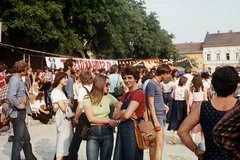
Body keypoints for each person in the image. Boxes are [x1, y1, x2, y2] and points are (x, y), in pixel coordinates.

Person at [178, 66, 238, 160]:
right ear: (236, 87)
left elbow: (182, 132)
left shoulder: (203, 107)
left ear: (214, 85)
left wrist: (196, 150)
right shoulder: (238, 107)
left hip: (211, 156)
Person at [83, 74, 120, 160]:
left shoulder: (109, 97)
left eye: (109, 84)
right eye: (107, 84)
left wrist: (117, 118)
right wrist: (109, 121)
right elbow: (91, 118)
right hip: (93, 132)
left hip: (107, 131)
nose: (109, 87)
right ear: (100, 84)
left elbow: (121, 106)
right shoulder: (88, 98)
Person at [113, 66, 146, 160]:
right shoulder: (125, 95)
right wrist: (123, 111)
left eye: (129, 77)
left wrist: (122, 115)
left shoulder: (139, 93)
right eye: (124, 78)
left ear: (136, 79)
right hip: (123, 130)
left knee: (131, 156)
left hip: (133, 130)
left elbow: (126, 116)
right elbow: (114, 116)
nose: (127, 80)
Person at [6, 60, 37, 160]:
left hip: (20, 113)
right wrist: (19, 105)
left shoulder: (19, 79)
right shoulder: (14, 79)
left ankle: (30, 158)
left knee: (26, 138)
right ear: (22, 69)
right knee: (19, 140)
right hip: (17, 112)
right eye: (26, 69)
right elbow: (11, 96)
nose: (27, 71)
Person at [145, 64, 171, 160]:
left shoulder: (155, 83)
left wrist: (163, 106)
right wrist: (155, 121)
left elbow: (155, 100)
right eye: (167, 74)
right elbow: (150, 104)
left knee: (155, 144)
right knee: (159, 144)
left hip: (160, 113)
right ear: (163, 73)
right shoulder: (153, 84)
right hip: (157, 115)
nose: (168, 76)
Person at [69, 70, 93, 160]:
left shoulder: (82, 90)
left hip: (83, 117)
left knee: (74, 146)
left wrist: (76, 118)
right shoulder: (93, 89)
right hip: (91, 116)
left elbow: (80, 106)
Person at [51, 72, 74, 160]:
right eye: (64, 78)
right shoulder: (56, 91)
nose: (66, 80)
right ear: (59, 79)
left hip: (66, 118)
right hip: (63, 119)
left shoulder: (61, 91)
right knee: (61, 143)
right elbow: (63, 108)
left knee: (65, 143)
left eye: (66, 78)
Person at [168, 76, 188, 144]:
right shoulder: (185, 89)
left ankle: (174, 135)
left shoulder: (176, 87)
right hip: (182, 103)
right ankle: (182, 137)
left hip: (176, 104)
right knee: (182, 120)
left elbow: (172, 96)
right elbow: (187, 98)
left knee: (175, 119)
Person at [188, 75, 208, 143]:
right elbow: (205, 98)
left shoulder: (192, 88)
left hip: (194, 104)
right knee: (203, 122)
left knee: (194, 122)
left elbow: (189, 98)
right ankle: (203, 140)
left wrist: (188, 107)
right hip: (202, 104)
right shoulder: (203, 87)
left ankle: (193, 139)